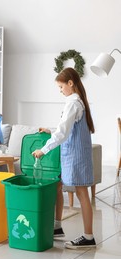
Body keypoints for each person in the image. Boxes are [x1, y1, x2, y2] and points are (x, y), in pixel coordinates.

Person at [32, 67, 96, 249]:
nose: (60, 91)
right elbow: (66, 129)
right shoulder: (76, 102)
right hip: (72, 154)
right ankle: (57, 227)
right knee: (58, 185)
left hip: (76, 156)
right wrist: (50, 131)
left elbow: (62, 133)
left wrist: (43, 150)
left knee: (82, 193)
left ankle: (88, 236)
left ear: (70, 83)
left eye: (61, 87)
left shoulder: (73, 103)